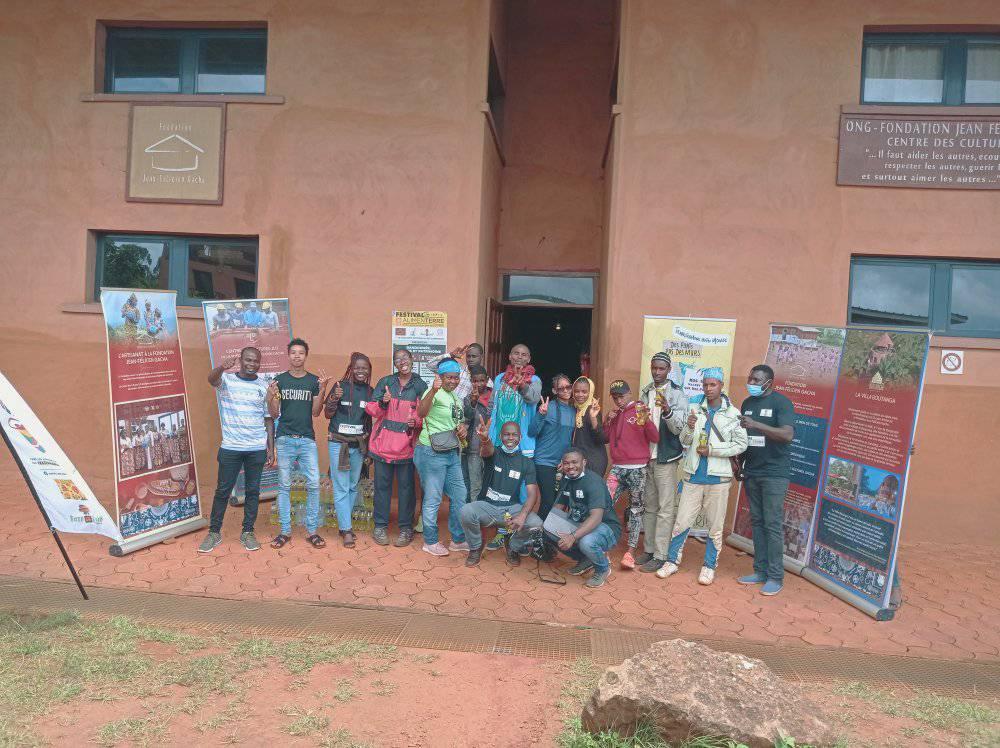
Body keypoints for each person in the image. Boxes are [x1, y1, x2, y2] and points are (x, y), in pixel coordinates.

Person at [657, 368, 747, 585]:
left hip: (719, 480)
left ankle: (709, 566)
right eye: (705, 385)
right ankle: (672, 561)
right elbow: (685, 441)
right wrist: (688, 428)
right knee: (682, 522)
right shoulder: (695, 408)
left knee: (715, 527)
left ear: (721, 386)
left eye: (713, 384)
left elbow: (741, 444)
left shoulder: (733, 413)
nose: (708, 389)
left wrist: (713, 450)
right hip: (693, 476)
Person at [199, 347, 275, 553]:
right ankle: (214, 532)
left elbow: (269, 419)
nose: (252, 364)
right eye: (248, 360)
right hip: (231, 447)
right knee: (223, 491)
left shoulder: (263, 386)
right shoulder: (227, 380)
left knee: (253, 491)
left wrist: (271, 448)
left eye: (256, 361)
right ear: (240, 360)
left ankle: (248, 532)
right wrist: (221, 368)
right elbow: (211, 379)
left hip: (256, 448)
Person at [267, 338, 332, 550]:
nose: (297, 356)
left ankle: (312, 531)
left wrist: (322, 389)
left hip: (306, 440)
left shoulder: (313, 381)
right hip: (285, 439)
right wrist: (270, 397)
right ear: (288, 355)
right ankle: (285, 531)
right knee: (284, 486)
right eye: (293, 352)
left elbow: (316, 412)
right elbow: (274, 413)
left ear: (306, 356)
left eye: (301, 353)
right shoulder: (280, 380)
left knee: (313, 484)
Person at [737, 364, 795, 596]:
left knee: (772, 524)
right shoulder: (747, 403)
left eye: (756, 380)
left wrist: (757, 425)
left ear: (769, 382)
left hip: (774, 474)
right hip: (752, 472)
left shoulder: (782, 403)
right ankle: (760, 571)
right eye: (750, 378)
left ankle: (775, 577)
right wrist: (739, 463)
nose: (751, 383)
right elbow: (744, 437)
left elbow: (787, 434)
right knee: (758, 522)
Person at [459, 421, 543, 567]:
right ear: (500, 436)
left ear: (520, 437)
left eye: (514, 435)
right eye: (506, 434)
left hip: (511, 510)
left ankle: (513, 547)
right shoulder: (494, 453)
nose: (510, 438)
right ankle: (476, 547)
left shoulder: (527, 463)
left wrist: (522, 516)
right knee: (466, 511)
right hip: (488, 506)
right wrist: (485, 439)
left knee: (536, 523)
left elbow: (532, 494)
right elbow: (487, 450)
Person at [366, 347, 427, 547]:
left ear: (411, 359)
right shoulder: (386, 382)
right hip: (383, 445)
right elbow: (371, 409)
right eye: (397, 359)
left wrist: (416, 422)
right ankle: (380, 526)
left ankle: (405, 528)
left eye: (405, 357)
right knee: (382, 487)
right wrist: (383, 403)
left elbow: (426, 413)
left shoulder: (420, 385)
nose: (402, 361)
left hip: (407, 447)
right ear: (394, 363)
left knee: (407, 489)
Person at [636, 352, 689, 573]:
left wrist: (667, 410)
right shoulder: (646, 391)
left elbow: (679, 428)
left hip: (666, 457)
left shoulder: (677, 394)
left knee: (665, 509)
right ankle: (649, 550)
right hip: (647, 456)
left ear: (668, 370)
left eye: (661, 368)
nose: (657, 372)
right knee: (649, 507)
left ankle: (661, 555)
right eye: (654, 368)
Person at [413, 358, 469, 556]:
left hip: (451, 452)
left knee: (460, 496)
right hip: (431, 452)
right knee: (433, 498)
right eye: (449, 377)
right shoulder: (433, 392)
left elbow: (456, 422)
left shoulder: (455, 398)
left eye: (456, 377)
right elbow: (421, 412)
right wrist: (433, 391)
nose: (453, 381)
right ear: (440, 377)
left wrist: (462, 429)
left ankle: (458, 540)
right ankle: (430, 541)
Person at [603, 380, 658, 570]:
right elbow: (606, 437)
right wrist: (607, 420)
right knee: (604, 504)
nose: (618, 400)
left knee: (636, 509)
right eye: (615, 397)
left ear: (629, 394)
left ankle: (630, 552)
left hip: (638, 468)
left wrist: (647, 421)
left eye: (621, 396)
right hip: (617, 467)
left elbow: (655, 437)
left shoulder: (639, 410)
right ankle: (603, 546)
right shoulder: (615, 414)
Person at [551, 448, 622, 588]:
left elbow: (596, 518)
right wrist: (547, 525)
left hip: (606, 527)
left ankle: (602, 569)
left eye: (574, 462)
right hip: (581, 524)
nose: (570, 466)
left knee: (586, 541)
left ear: (584, 462)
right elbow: (558, 507)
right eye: (566, 463)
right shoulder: (567, 480)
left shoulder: (593, 482)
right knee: (549, 529)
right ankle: (586, 559)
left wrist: (572, 537)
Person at [325, 352, 374, 549]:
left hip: (358, 445)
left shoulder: (370, 392)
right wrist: (333, 399)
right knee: (341, 487)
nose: (361, 371)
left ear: (369, 371)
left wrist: (368, 449)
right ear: (351, 369)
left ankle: (344, 523)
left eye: (364, 368)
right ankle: (346, 529)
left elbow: (369, 422)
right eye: (357, 368)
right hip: (338, 443)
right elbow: (328, 414)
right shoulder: (340, 387)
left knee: (353, 485)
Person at [527, 374, 576, 518]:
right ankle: (538, 530)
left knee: (560, 502)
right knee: (548, 501)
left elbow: (571, 440)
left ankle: (549, 531)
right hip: (544, 461)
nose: (566, 390)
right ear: (555, 391)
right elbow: (532, 432)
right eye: (561, 388)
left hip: (562, 464)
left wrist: (566, 460)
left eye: (568, 387)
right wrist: (541, 414)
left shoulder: (574, 411)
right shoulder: (549, 407)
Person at [462, 365, 492, 503]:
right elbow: (467, 417)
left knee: (486, 484)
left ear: (487, 380)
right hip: (473, 448)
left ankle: (480, 512)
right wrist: (473, 402)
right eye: (475, 381)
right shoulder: (468, 398)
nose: (478, 384)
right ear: (470, 381)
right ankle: (471, 512)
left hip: (489, 446)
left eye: (481, 380)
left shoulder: (493, 397)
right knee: (472, 485)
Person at [570, 376, 608, 478]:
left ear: (590, 392)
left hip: (594, 461)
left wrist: (593, 418)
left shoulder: (593, 409)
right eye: (577, 391)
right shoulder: (575, 409)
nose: (580, 395)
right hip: (580, 460)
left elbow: (602, 438)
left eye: (584, 392)